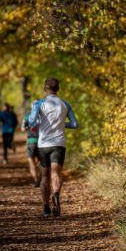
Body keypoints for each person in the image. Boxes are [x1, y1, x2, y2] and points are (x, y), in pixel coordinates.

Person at [29, 78, 78, 218]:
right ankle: (56, 195)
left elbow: (32, 121)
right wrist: (62, 125)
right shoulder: (65, 104)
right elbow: (74, 124)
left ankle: (46, 208)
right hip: (59, 143)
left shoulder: (39, 104)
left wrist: (41, 122)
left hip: (44, 143)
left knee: (45, 175)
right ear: (58, 89)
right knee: (56, 172)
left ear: (45, 89)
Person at [21, 99, 40, 188]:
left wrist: (28, 127)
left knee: (31, 162)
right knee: (38, 161)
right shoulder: (44, 116)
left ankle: (36, 180)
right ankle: (42, 177)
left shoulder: (27, 116)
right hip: (42, 142)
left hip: (31, 141)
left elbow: (23, 128)